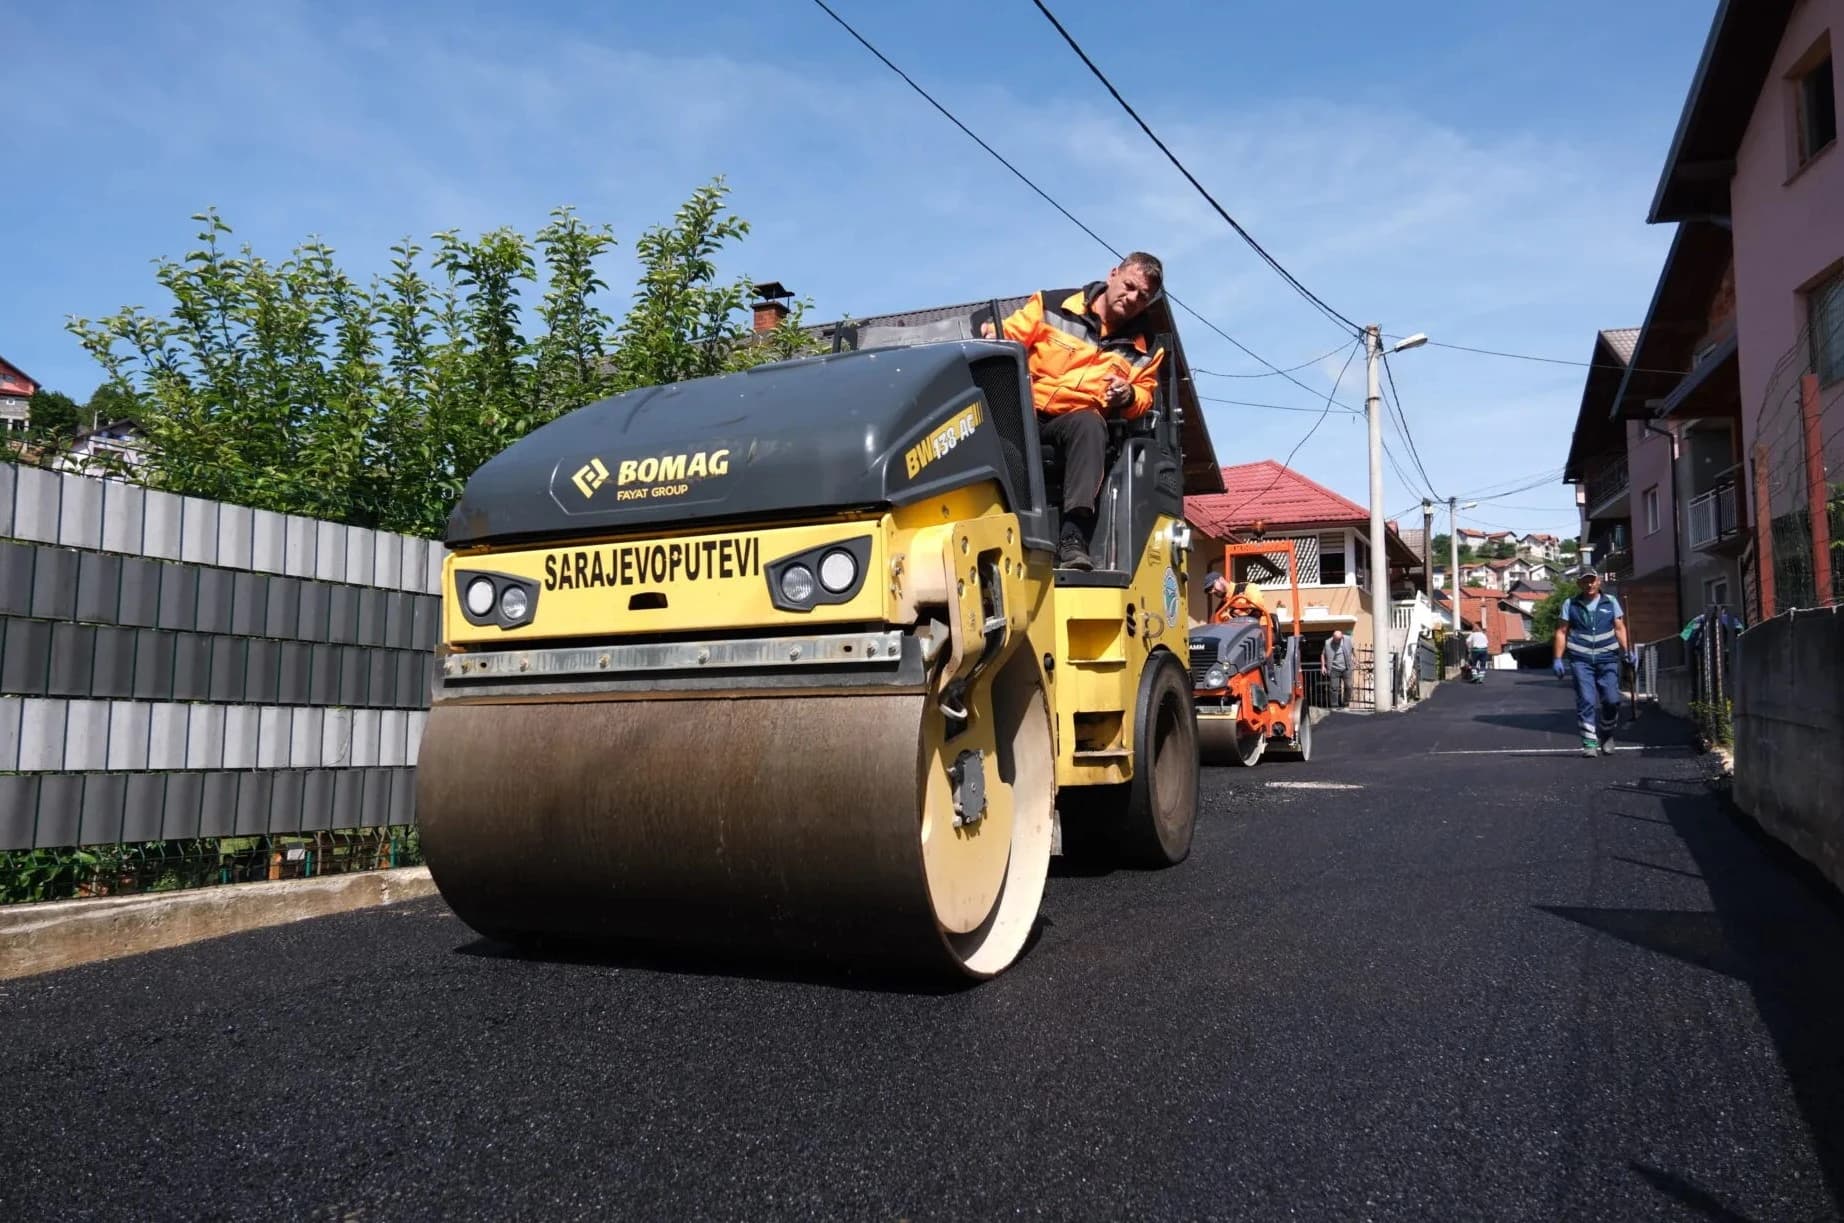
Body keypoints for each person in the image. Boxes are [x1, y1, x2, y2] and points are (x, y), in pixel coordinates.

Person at [984, 253, 1167, 570]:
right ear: (1113, 274)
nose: (1133, 298)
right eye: (1129, 286)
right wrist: (991, 334)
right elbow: (1008, 337)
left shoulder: (1147, 348)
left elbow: (1144, 396)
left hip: (1075, 421)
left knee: (1091, 424)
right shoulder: (1051, 305)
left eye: (1143, 296)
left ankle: (1073, 538)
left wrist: (1128, 394)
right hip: (1024, 409)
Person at [1552, 569, 1635, 757]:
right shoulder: (1570, 604)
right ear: (1579, 584)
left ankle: (1606, 734)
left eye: (1592, 581)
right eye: (1584, 582)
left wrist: (1628, 650)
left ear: (1598, 582)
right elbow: (1561, 632)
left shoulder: (1611, 602)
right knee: (1586, 700)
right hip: (1581, 659)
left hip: (1607, 658)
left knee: (1612, 700)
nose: (1589, 585)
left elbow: (1620, 628)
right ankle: (1589, 742)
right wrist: (1557, 658)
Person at [1323, 628, 1355, 708]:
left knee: (1349, 686)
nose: (1338, 641)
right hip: (1334, 668)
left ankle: (1346, 703)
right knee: (1334, 688)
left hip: (1346, 667)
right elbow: (1322, 654)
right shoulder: (1328, 643)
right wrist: (1323, 666)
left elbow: (1352, 649)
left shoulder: (1347, 639)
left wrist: (1355, 659)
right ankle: (1334, 705)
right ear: (1333, 637)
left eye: (1340, 639)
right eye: (1337, 639)